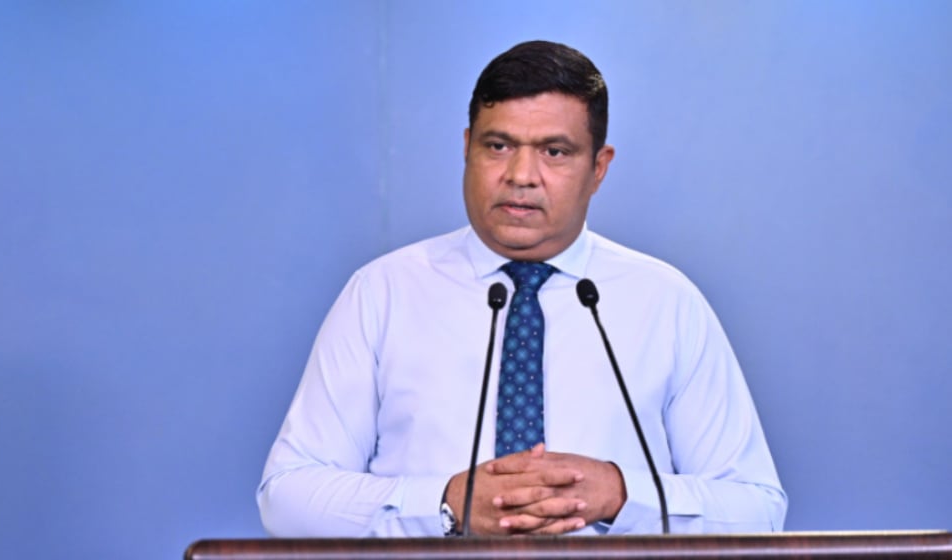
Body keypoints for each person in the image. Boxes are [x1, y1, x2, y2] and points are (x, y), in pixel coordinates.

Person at [258, 40, 787, 537]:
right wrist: (444, 503)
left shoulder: (665, 302)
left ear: (598, 168)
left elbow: (757, 508)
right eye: (498, 145)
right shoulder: (383, 293)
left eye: (554, 151)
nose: (521, 175)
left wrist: (621, 494)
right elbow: (287, 497)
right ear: (467, 148)